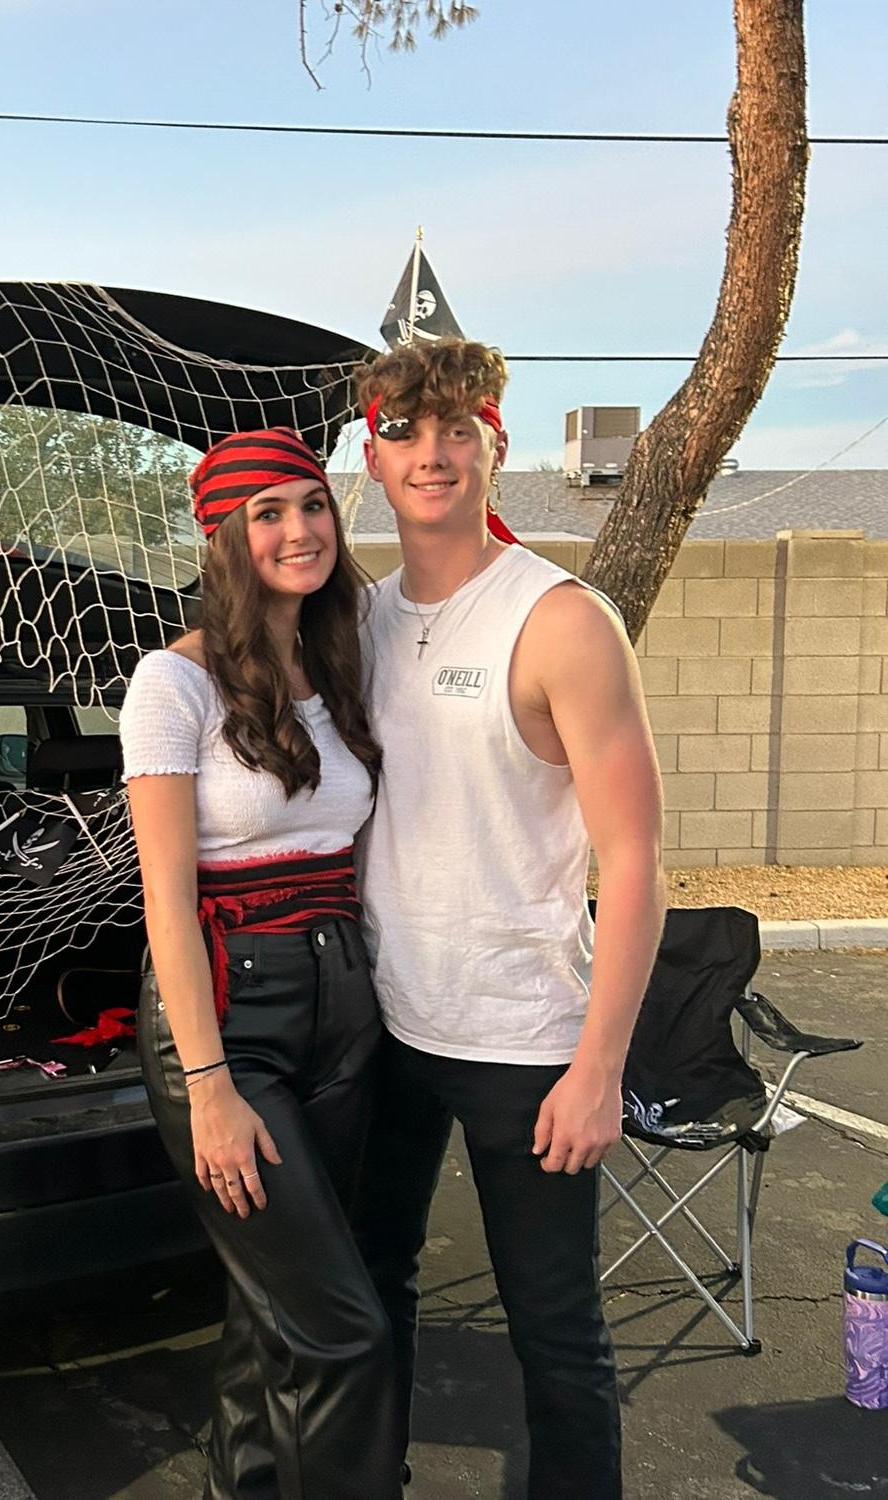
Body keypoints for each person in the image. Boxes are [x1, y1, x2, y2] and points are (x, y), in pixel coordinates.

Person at [352, 338, 667, 1499]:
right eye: (404, 431)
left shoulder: (561, 620)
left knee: (555, 1333)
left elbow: (636, 858)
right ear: (372, 457)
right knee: (371, 1296)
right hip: (384, 1027)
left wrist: (600, 1066)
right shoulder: (362, 620)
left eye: (457, 428)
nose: (430, 453)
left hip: (524, 1044)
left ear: (496, 442)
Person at [119, 427, 402, 1500]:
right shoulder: (173, 682)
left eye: (312, 504)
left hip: (345, 1007)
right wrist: (207, 1086)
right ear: (224, 539)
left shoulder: (339, 664)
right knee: (345, 1331)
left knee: (271, 1311)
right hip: (231, 1018)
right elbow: (165, 900)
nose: (298, 530)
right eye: (267, 514)